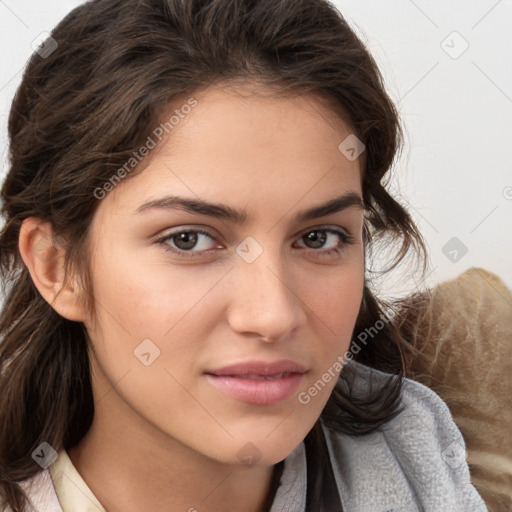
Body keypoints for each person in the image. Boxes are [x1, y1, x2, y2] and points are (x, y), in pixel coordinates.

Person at [0, 0, 488, 511]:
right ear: (58, 268)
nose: (273, 315)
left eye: (320, 237)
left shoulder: (413, 454)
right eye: (188, 239)